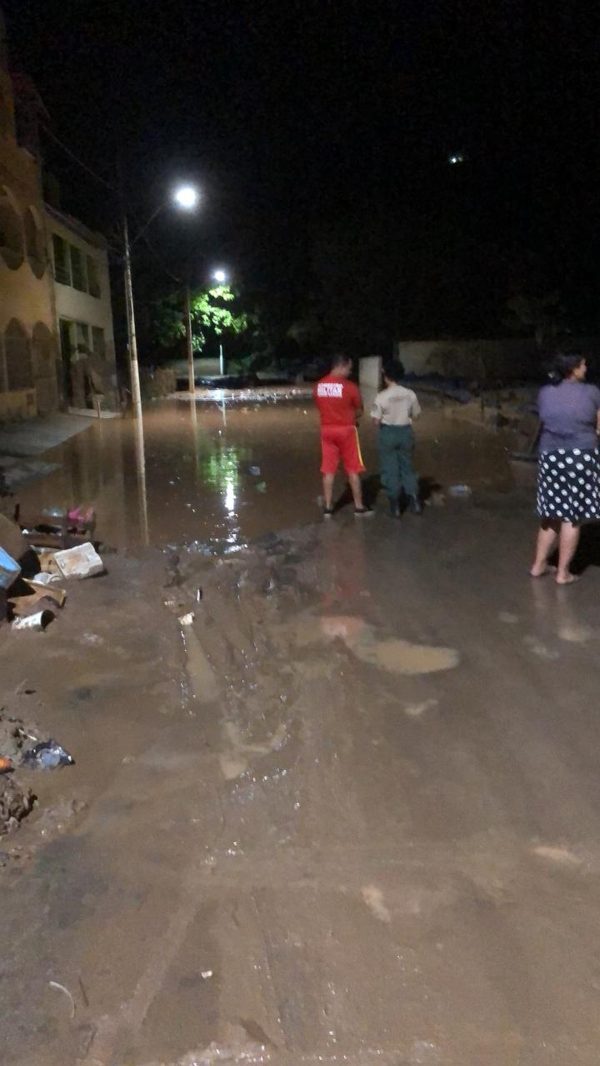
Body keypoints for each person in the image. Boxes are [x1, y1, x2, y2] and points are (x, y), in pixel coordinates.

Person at [530, 351, 600, 585]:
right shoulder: (592, 392)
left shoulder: (545, 392)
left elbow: (545, 418)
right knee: (572, 516)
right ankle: (563, 573)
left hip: (550, 455)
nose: (586, 368)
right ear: (574, 369)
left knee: (551, 514)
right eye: (583, 365)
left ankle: (539, 565)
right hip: (580, 455)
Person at [314, 353, 372, 517]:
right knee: (353, 469)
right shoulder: (350, 387)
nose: (349, 372)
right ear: (341, 366)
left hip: (327, 431)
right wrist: (352, 416)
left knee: (328, 470)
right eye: (349, 368)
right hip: (347, 431)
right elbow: (360, 409)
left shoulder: (319, 386)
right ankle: (359, 507)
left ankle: (328, 508)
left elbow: (320, 406)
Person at [371, 361, 422, 517]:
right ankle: (415, 501)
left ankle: (395, 506)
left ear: (386, 377)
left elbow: (375, 421)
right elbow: (417, 414)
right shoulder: (410, 394)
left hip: (388, 433)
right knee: (407, 467)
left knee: (390, 469)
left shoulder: (381, 397)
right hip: (405, 432)